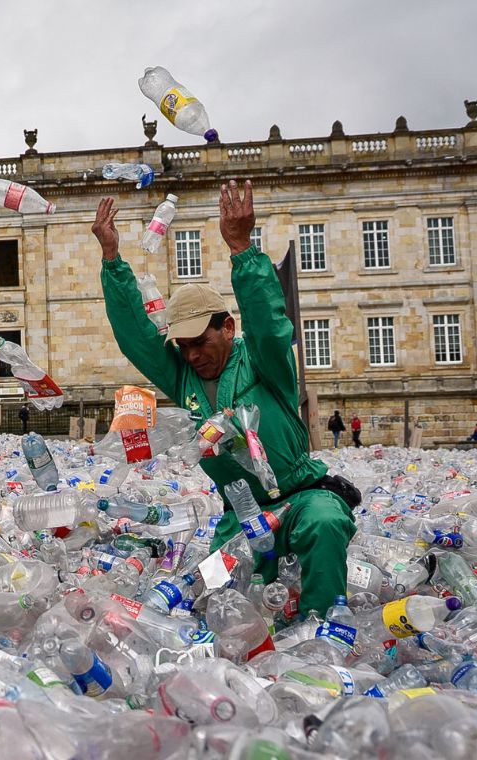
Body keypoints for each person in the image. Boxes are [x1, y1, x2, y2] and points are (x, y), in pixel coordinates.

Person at [92, 180, 356, 618]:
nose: (193, 354)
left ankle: (322, 629)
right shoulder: (184, 379)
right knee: (212, 607)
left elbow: (270, 322)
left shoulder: (262, 362)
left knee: (325, 523)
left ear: (227, 328)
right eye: (183, 346)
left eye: (200, 341)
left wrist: (241, 247)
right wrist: (112, 261)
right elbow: (136, 337)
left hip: (299, 498)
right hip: (242, 515)